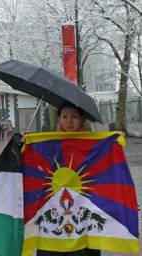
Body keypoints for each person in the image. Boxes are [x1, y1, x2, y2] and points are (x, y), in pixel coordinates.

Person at [36, 101, 99, 256]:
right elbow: (37, 167)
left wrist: (114, 142)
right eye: (65, 117)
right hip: (53, 207)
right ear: (59, 119)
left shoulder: (93, 145)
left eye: (74, 117)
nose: (69, 121)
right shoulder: (49, 144)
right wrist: (25, 146)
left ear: (82, 119)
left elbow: (104, 171)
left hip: (84, 208)